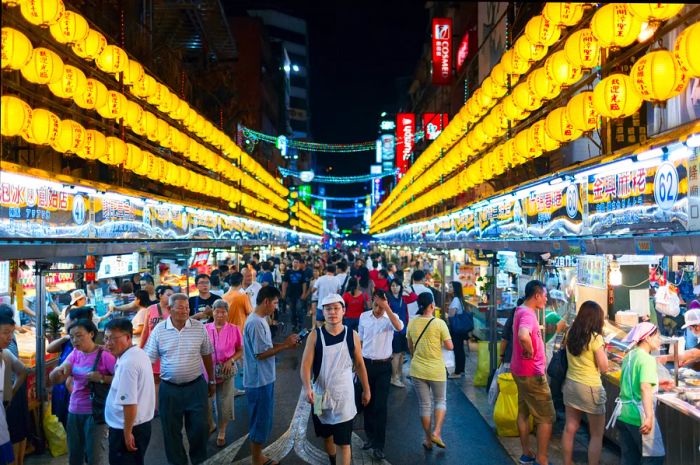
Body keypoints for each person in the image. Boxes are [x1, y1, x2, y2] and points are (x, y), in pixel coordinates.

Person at [143, 293, 215, 465]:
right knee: (171, 432)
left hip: (196, 387)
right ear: (170, 309)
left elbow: (207, 355)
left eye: (187, 308)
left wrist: (211, 380)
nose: (185, 311)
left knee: (200, 429)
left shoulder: (198, 328)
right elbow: (148, 360)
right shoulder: (159, 331)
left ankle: (199, 460)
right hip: (169, 389)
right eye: (181, 307)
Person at [301, 293, 370, 465]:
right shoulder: (315, 336)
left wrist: (367, 389)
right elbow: (305, 365)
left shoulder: (352, 335)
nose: (332, 312)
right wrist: (307, 388)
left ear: (343, 311)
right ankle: (333, 460)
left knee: (344, 443)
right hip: (318, 396)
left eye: (336, 308)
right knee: (325, 436)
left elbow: (360, 364)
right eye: (328, 309)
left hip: (344, 398)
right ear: (322, 312)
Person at [244, 286, 299, 465]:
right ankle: (257, 459)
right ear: (266, 301)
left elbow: (266, 346)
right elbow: (261, 354)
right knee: (260, 420)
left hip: (264, 378)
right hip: (259, 381)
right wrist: (285, 345)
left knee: (263, 418)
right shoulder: (256, 323)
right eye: (275, 303)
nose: (276, 307)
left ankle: (258, 457)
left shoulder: (260, 320)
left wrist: (284, 344)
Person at [49, 319, 116, 465]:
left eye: (79, 335)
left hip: (95, 411)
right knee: (74, 454)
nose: (75, 340)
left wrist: (102, 378)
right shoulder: (75, 353)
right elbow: (60, 374)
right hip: (74, 410)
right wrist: (57, 372)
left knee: (94, 456)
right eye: (72, 337)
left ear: (91, 334)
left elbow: (121, 379)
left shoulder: (104, 355)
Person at [608, 322, 674, 465]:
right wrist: (649, 417)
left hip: (623, 415)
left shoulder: (630, 356)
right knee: (654, 458)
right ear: (647, 338)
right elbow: (644, 387)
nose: (659, 340)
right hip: (638, 417)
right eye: (656, 336)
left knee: (629, 460)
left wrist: (657, 383)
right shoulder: (647, 359)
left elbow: (630, 382)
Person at [511, 280, 555, 465]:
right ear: (537, 295)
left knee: (523, 412)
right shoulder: (528, 314)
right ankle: (542, 459)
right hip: (532, 374)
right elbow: (523, 335)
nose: (546, 299)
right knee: (546, 417)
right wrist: (529, 350)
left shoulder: (520, 310)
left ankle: (526, 453)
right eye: (544, 295)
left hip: (519, 370)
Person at [561, 301, 609, 465]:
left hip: (571, 384)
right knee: (596, 434)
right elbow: (604, 368)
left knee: (570, 428)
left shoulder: (570, 333)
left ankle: (567, 462)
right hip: (590, 388)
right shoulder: (595, 338)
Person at [358, 289, 403, 460]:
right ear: (371, 302)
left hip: (384, 366)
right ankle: (369, 437)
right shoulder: (363, 317)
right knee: (366, 403)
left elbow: (399, 327)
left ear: (386, 304)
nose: (378, 309)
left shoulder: (390, 319)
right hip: (366, 365)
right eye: (375, 305)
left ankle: (379, 445)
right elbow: (361, 341)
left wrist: (387, 308)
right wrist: (357, 364)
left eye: (381, 305)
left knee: (381, 407)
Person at [103, 318, 155, 465]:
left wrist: (127, 433)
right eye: (106, 338)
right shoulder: (136, 352)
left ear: (127, 337)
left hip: (128, 428)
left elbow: (130, 403)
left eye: (112, 339)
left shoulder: (128, 364)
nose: (108, 343)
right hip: (139, 425)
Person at [407, 292, 453, 451]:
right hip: (436, 370)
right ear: (432, 306)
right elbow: (450, 346)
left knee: (424, 405)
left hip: (417, 369)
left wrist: (415, 356)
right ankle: (437, 432)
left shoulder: (412, 322)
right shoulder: (439, 324)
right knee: (440, 401)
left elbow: (410, 345)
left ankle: (427, 438)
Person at [205, 300, 243, 447]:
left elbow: (240, 350)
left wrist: (231, 361)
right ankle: (211, 424)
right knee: (207, 403)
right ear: (212, 312)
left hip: (226, 372)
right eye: (217, 311)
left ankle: (222, 431)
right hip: (207, 372)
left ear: (227, 313)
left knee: (224, 402)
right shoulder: (205, 328)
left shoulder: (234, 329)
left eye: (223, 312)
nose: (220, 315)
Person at [0, 313, 27, 465]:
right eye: (5, 332)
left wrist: (10, 394)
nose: (9, 337)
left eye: (11, 332)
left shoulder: (6, 354)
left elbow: (22, 371)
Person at [387, 279, 416, 387]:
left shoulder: (403, 298)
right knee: (396, 354)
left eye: (397, 286)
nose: (394, 288)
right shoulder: (388, 299)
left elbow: (414, 298)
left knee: (402, 353)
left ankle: (398, 375)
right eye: (393, 286)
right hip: (393, 331)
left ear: (400, 287)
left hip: (403, 329)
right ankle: (394, 377)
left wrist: (407, 291)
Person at [447, 281, 472, 378]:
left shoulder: (456, 300)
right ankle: (461, 370)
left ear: (455, 289)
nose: (449, 288)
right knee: (460, 349)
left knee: (457, 349)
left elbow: (451, 315)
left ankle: (457, 372)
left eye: (450, 286)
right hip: (461, 329)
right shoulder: (459, 299)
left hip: (456, 329)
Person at [282, 258, 308, 332]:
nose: (296, 263)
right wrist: (283, 293)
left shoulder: (302, 272)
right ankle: (294, 324)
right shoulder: (288, 272)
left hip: (299, 294)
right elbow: (284, 283)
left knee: (299, 309)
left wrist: (304, 293)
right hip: (290, 294)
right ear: (292, 263)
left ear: (299, 263)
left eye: (297, 262)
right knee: (292, 311)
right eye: (295, 262)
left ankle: (300, 324)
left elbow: (304, 283)